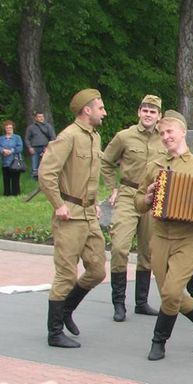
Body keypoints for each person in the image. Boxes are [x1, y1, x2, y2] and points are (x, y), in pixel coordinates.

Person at [134, 110, 193, 361]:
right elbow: (137, 201)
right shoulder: (154, 166)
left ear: (183, 132)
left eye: (170, 132)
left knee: (170, 293)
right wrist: (146, 198)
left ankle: (158, 342)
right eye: (162, 133)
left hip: (190, 238)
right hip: (160, 236)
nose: (166, 137)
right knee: (173, 293)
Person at [39, 89, 108, 348]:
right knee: (66, 275)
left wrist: (95, 202)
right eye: (100, 108)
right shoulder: (68, 136)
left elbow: (89, 176)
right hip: (69, 216)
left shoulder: (94, 137)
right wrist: (58, 205)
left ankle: (66, 310)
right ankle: (54, 332)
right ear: (87, 110)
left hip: (89, 214)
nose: (104, 112)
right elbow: (47, 174)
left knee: (97, 270)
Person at [100, 95, 165, 322]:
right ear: (139, 112)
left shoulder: (163, 139)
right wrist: (112, 188)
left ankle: (141, 302)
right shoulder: (124, 137)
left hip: (152, 197)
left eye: (153, 111)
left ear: (159, 116)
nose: (148, 114)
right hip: (128, 194)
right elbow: (106, 161)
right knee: (119, 247)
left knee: (148, 251)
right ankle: (119, 303)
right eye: (145, 110)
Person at [24, 111, 55, 179]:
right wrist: (29, 147)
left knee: (46, 165)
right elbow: (27, 139)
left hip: (45, 148)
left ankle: (46, 179)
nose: (41, 118)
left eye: (42, 116)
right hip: (35, 148)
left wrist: (48, 147)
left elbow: (53, 138)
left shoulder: (48, 126)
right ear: (36, 118)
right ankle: (34, 181)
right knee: (34, 166)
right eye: (39, 117)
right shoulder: (31, 127)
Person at [2, 120, 24, 196]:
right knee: (6, 179)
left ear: (13, 128)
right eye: (7, 128)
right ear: (5, 128)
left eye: (10, 128)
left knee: (15, 179)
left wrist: (11, 151)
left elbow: (20, 147)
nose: (9, 129)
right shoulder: (1, 138)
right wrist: (3, 150)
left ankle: (16, 194)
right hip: (5, 162)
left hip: (15, 161)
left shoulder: (17, 137)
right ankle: (7, 194)